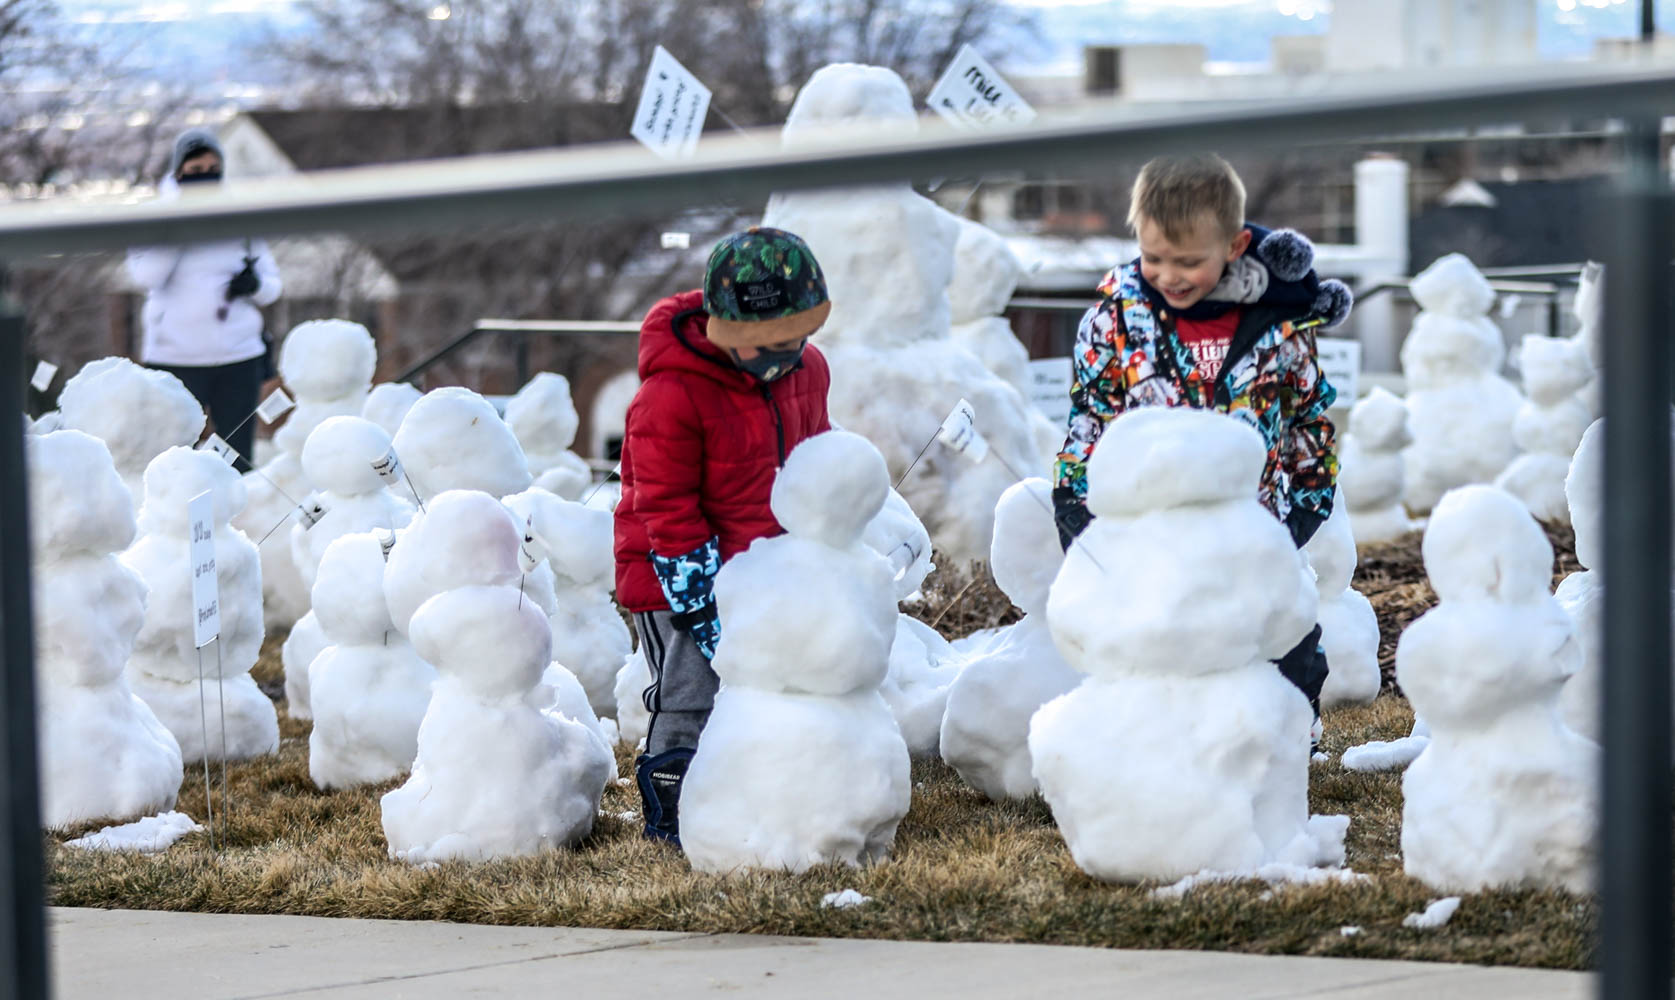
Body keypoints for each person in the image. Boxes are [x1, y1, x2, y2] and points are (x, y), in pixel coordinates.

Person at [1051, 153, 1353, 745]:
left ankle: (1281, 741)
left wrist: (1309, 500)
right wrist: (1075, 495)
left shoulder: (1280, 325)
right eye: (1154, 256)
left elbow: (1306, 417)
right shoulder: (1116, 319)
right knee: (1166, 637)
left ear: (1236, 246)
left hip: (1254, 521)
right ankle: (1171, 752)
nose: (1170, 274)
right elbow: (1092, 411)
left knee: (1276, 639)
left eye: (1190, 261)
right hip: (1152, 527)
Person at [614, 227, 833, 845]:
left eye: (796, 341)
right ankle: (672, 812)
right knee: (692, 692)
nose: (782, 358)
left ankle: (754, 793)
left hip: (762, 564)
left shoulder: (807, 371)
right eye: (764, 347)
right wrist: (702, 604)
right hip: (670, 570)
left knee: (764, 683)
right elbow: (665, 507)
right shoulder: (671, 395)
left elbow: (815, 459)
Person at [126, 128, 282, 465]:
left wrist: (253, 285)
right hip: (174, 359)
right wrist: (183, 225)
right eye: (195, 171)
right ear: (178, 171)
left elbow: (273, 287)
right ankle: (177, 519)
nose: (205, 177)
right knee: (175, 458)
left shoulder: (239, 214)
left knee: (236, 460)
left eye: (213, 169)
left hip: (238, 358)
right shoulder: (154, 214)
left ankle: (234, 517)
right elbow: (146, 277)